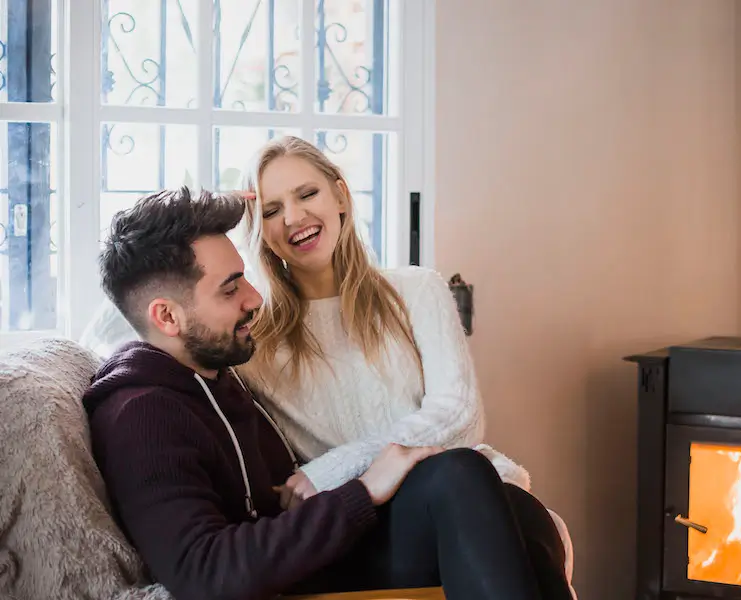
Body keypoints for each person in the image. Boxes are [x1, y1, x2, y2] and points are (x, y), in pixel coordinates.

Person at [83, 187, 569, 600]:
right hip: (283, 581)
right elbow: (203, 572)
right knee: (459, 477)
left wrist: (207, 208)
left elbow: (136, 301)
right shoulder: (143, 415)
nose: (253, 298)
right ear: (166, 317)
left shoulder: (210, 370)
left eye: (245, 277)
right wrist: (362, 491)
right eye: (230, 289)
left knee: (508, 502)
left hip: (311, 552)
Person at [236, 135, 575, 598]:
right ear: (258, 229)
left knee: (505, 501)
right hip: (361, 529)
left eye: (307, 194)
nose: (294, 217)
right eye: (271, 210)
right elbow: (136, 327)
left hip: (456, 494)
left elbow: (460, 417)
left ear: (340, 196)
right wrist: (210, 217)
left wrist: (328, 470)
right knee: (496, 498)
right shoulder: (253, 335)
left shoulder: (415, 290)